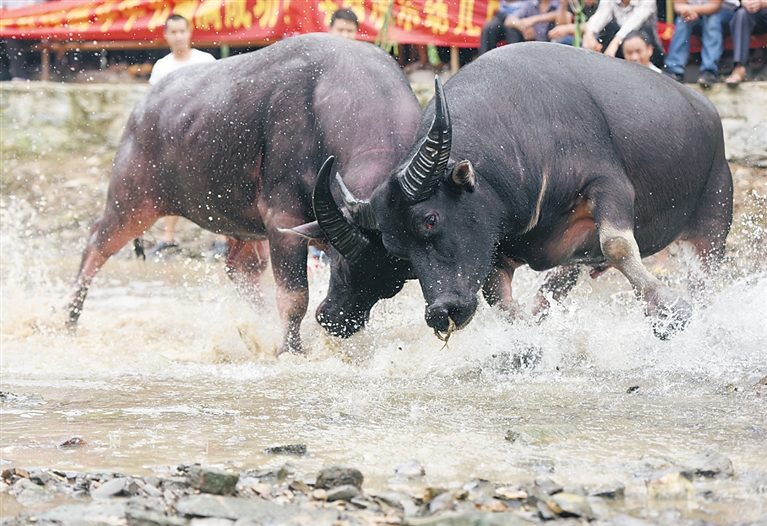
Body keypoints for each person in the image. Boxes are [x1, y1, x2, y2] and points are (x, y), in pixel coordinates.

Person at [147, 14, 217, 257]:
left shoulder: (205, 61)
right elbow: (154, 105)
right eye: (173, 32)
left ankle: (221, 237)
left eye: (182, 31)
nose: (178, 37)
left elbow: (216, 97)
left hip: (203, 133)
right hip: (173, 136)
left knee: (211, 183)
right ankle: (168, 237)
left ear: (190, 33)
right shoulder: (161, 67)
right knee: (171, 186)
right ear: (166, 36)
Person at [663, 0, 739, 87]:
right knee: (682, 20)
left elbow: (714, 6)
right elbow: (678, 5)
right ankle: (674, 69)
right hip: (695, 14)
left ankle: (709, 70)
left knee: (711, 19)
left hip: (725, 13)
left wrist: (692, 10)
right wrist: (688, 12)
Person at [583, 0, 665, 68]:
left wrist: (615, 43)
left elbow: (636, 20)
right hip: (622, 50)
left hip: (646, 49)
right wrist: (589, 35)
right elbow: (601, 14)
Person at [479, 0, 560, 54]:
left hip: (545, 38)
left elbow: (563, 14)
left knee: (512, 32)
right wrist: (523, 26)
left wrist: (533, 20)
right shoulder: (531, 4)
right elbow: (510, 20)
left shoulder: (558, 3)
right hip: (509, 16)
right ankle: (484, 65)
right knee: (489, 29)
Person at [726, 0, 767, 86]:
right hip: (755, 15)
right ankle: (739, 68)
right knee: (742, 13)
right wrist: (744, 2)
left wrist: (762, 3)